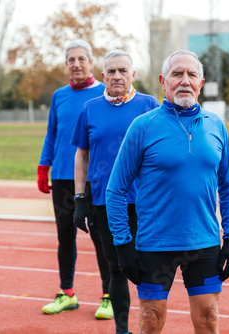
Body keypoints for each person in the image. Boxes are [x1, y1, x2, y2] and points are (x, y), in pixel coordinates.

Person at [105, 50, 229, 333]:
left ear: (201, 83)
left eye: (192, 75)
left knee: (208, 318)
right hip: (155, 243)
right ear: (163, 81)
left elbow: (228, 187)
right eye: (177, 74)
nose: (184, 81)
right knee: (151, 320)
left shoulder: (216, 125)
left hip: (203, 242)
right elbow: (116, 190)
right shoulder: (143, 127)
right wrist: (123, 245)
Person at [72, 50, 160, 334]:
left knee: (148, 268)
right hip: (105, 203)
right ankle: (122, 330)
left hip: (144, 202)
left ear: (133, 75)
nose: (117, 76)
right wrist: (79, 198)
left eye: (123, 70)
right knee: (117, 267)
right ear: (103, 77)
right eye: (111, 71)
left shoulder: (149, 105)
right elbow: (81, 155)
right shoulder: (90, 108)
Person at [38, 39, 112, 319]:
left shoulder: (104, 93)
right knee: (64, 237)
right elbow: (52, 135)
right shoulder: (59, 95)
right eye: (71, 60)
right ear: (66, 64)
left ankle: (109, 295)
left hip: (93, 179)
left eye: (82, 59)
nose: (76, 64)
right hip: (62, 178)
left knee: (100, 239)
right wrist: (44, 166)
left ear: (91, 63)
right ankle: (67, 293)